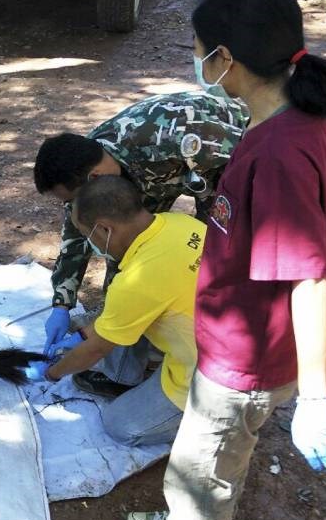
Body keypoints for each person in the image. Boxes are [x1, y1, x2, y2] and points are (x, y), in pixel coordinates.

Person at [99, 0, 326, 520]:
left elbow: (309, 275)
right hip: (234, 343)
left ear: (227, 60)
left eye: (199, 48)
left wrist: (316, 395)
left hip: (244, 362)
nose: (196, 60)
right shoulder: (294, 115)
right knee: (208, 459)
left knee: (204, 463)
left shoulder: (279, 152)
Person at [32, 90, 247, 396]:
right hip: (181, 174)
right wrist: (62, 303)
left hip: (225, 157)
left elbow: (240, 168)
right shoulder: (86, 166)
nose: (72, 206)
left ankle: (219, 356)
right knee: (129, 277)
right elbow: (78, 235)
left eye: (72, 200)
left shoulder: (166, 139)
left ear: (94, 181)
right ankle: (124, 370)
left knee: (214, 260)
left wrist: (214, 245)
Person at [24, 175, 204, 451]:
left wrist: (52, 373)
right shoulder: (182, 223)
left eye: (88, 236)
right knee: (119, 315)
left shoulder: (137, 281)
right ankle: (125, 377)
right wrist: (83, 333)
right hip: (222, 332)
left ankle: (211, 422)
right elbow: (125, 313)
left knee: (120, 425)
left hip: (215, 374)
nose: (92, 245)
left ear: (105, 230)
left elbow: (96, 350)